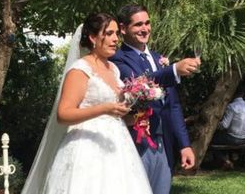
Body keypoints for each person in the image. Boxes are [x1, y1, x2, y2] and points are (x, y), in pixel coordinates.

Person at [22, 13, 153, 193]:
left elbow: (114, 114)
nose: (115, 39)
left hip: (118, 147)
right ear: (92, 37)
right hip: (86, 148)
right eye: (108, 34)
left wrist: (134, 119)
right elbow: (64, 114)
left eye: (116, 33)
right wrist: (105, 109)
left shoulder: (113, 69)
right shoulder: (80, 69)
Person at [110, 4, 199, 194]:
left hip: (163, 143)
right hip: (135, 142)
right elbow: (138, 85)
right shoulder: (117, 59)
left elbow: (173, 106)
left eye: (147, 23)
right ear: (123, 29)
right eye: (138, 25)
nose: (145, 29)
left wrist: (184, 145)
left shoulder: (159, 58)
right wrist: (173, 70)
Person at [211, 87, 245, 169]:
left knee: (212, 140)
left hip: (234, 139)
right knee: (225, 137)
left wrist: (214, 124)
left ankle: (225, 161)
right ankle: (235, 160)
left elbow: (224, 125)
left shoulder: (231, 107)